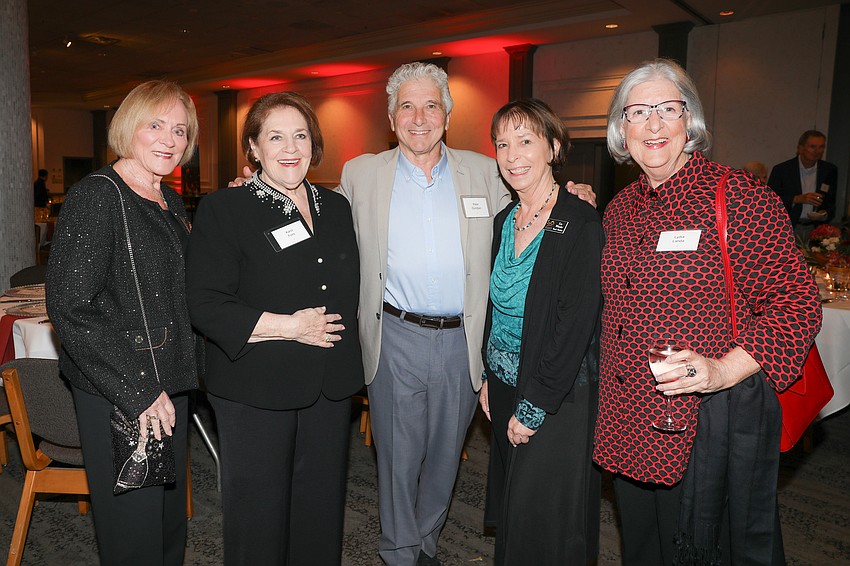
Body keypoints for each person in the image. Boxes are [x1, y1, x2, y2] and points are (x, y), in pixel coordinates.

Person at [337, 63, 595, 566]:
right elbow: (317, 215)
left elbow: (538, 207)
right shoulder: (360, 173)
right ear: (391, 118)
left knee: (444, 457)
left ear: (447, 115)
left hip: (463, 339)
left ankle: (427, 544)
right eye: (406, 106)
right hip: (395, 334)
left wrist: (576, 195)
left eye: (431, 105)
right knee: (397, 456)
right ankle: (399, 552)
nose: (419, 117)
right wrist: (260, 188)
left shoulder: (485, 170)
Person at [593, 59, 822, 565]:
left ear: (689, 121)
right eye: (637, 112)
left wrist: (721, 370)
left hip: (703, 429)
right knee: (643, 553)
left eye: (667, 109)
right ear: (620, 128)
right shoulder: (619, 209)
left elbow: (797, 302)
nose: (653, 124)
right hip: (628, 427)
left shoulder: (737, 195)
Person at [185, 92, 363, 565]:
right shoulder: (226, 208)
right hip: (255, 388)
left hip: (329, 386)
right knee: (257, 516)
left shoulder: (336, 207)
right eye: (276, 137)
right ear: (254, 149)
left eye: (300, 136)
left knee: (321, 511)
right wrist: (290, 327)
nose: (290, 147)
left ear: (314, 145)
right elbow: (204, 304)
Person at [45, 80, 200, 565]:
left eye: (180, 130)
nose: (169, 140)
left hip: (168, 385)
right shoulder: (98, 197)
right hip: (123, 392)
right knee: (134, 538)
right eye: (156, 125)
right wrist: (139, 392)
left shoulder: (167, 199)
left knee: (167, 527)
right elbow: (71, 306)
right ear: (129, 126)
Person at [479, 98, 602, 565]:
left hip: (556, 394)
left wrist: (535, 407)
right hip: (508, 382)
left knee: (548, 519)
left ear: (553, 147)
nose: (513, 155)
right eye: (503, 144)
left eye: (526, 141)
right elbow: (496, 308)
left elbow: (574, 327)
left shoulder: (580, 221)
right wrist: (490, 377)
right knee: (518, 513)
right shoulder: (503, 221)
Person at [768, 130, 838, 239]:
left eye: (821, 147)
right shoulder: (782, 170)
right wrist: (797, 199)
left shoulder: (829, 170)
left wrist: (824, 214)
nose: (817, 151)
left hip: (815, 230)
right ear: (800, 148)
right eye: (812, 146)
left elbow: (831, 203)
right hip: (787, 229)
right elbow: (770, 201)